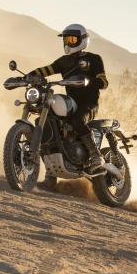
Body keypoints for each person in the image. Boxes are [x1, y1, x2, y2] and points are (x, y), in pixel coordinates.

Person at [27, 23, 109, 189]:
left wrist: (90, 81)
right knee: (46, 125)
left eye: (71, 39)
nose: (67, 43)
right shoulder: (64, 61)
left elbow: (104, 82)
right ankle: (50, 175)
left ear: (82, 40)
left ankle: (95, 155)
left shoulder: (94, 59)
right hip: (71, 103)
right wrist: (29, 76)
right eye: (65, 40)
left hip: (88, 104)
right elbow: (46, 70)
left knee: (78, 120)